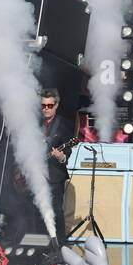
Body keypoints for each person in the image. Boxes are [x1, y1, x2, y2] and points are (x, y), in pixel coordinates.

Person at [39, 87, 76, 249]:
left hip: (54, 175)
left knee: (56, 211)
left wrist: (62, 157)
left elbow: (69, 150)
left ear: (56, 105)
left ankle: (59, 244)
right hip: (37, 175)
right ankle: (41, 243)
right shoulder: (35, 124)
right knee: (35, 211)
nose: (46, 109)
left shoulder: (63, 125)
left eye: (49, 105)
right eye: (43, 105)